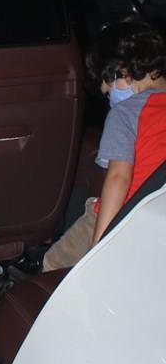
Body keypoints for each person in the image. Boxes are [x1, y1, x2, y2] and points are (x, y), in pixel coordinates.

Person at [43, 19, 166, 272]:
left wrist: (99, 247)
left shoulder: (126, 113)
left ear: (122, 68)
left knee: (54, 265)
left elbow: (119, 177)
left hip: (123, 216)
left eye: (108, 86)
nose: (106, 94)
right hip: (156, 218)